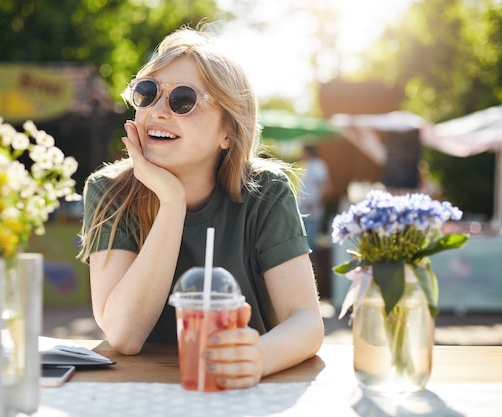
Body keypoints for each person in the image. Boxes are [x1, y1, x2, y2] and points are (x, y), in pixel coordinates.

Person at [77, 26, 324, 390]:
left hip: (238, 392)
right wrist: (172, 202)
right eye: (147, 94)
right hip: (139, 395)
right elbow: (124, 335)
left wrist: (258, 357)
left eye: (182, 100)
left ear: (228, 131)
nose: (158, 112)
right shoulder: (109, 191)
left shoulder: (266, 193)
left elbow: (305, 321)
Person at [298, 144, 331, 251]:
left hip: (313, 212)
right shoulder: (308, 165)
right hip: (305, 210)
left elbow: (326, 186)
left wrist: (317, 204)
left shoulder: (318, 165)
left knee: (310, 244)